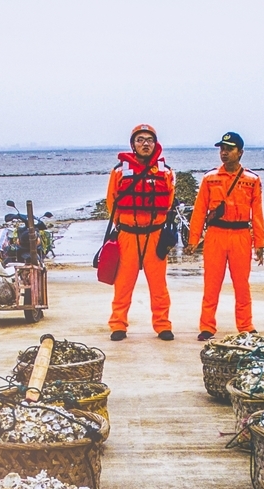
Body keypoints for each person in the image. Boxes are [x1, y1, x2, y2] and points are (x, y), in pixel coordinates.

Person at [187, 132, 264, 341]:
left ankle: (246, 325)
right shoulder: (210, 178)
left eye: (229, 149)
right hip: (216, 235)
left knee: (242, 284)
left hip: (241, 235)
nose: (224, 153)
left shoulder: (252, 180)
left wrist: (260, 243)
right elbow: (199, 210)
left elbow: (257, 213)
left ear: (240, 152)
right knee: (211, 283)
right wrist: (193, 240)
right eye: (222, 149)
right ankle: (207, 326)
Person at [105, 124, 175, 341]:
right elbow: (112, 201)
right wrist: (121, 226)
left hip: (155, 234)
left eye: (149, 140)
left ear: (155, 144)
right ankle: (118, 325)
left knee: (159, 286)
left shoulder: (165, 172)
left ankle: (162, 325)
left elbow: (170, 201)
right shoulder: (119, 171)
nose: (145, 143)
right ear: (133, 144)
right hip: (128, 234)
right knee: (123, 284)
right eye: (140, 139)